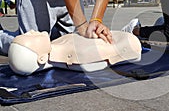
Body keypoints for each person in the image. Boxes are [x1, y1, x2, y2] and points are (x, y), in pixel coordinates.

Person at [8, 30, 141, 75]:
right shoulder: (79, 57)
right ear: (41, 58)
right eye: (30, 37)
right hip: (126, 40)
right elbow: (128, 48)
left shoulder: (57, 44)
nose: (30, 31)